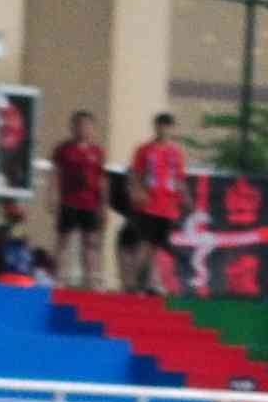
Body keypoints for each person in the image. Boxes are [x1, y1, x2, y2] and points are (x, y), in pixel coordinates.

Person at [120, 113, 188, 297]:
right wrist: (137, 192)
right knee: (144, 244)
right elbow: (135, 174)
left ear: (172, 128)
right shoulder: (145, 150)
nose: (164, 130)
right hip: (150, 204)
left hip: (168, 207)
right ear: (155, 127)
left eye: (167, 126)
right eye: (160, 126)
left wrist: (185, 198)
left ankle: (150, 283)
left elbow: (179, 178)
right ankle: (131, 282)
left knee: (156, 247)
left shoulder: (176, 153)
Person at [47, 110, 105, 290]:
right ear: (72, 127)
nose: (83, 129)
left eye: (87, 125)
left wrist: (103, 205)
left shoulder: (98, 152)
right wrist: (51, 195)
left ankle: (91, 280)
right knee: (63, 240)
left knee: (90, 242)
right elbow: (55, 174)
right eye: (79, 125)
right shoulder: (63, 149)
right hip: (69, 202)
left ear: (93, 128)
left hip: (90, 203)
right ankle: (58, 278)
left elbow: (102, 180)